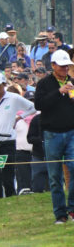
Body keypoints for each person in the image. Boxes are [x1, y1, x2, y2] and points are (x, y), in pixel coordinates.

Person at [0, 72, 36, 199]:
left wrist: (20, 117)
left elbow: (33, 107)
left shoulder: (13, 98)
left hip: (8, 141)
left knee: (8, 175)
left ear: (4, 84)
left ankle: (11, 197)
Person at [34, 49, 74, 224]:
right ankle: (60, 214)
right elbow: (39, 104)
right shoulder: (44, 84)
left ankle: (72, 209)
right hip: (52, 134)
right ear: (53, 65)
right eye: (62, 66)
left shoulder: (72, 82)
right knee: (55, 176)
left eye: (68, 66)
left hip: (72, 133)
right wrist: (59, 92)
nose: (66, 69)